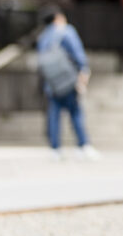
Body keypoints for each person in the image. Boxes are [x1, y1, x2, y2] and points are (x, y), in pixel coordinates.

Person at [37, 9, 100, 159]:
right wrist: (84, 71)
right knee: (75, 112)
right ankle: (82, 145)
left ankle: (55, 148)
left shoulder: (43, 37)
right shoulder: (66, 31)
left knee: (54, 114)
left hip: (52, 83)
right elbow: (78, 54)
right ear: (58, 18)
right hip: (68, 80)